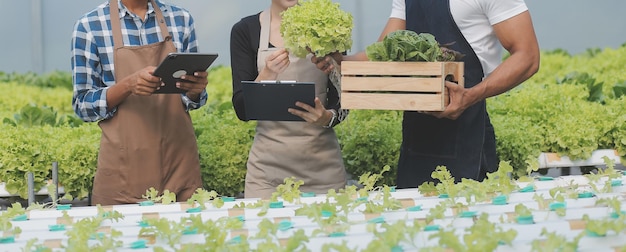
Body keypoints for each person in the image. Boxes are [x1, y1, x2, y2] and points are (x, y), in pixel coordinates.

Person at [314, 0, 540, 188]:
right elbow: (384, 51)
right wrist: (341, 61)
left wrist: (471, 96)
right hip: (417, 136)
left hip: (467, 135)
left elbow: (528, 56)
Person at [71, 0, 209, 205]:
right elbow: (83, 105)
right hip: (123, 173)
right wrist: (127, 86)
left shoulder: (181, 20)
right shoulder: (90, 26)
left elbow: (191, 99)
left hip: (179, 166)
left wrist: (195, 91)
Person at [230, 0, 349, 199]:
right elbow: (242, 110)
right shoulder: (245, 30)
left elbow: (345, 99)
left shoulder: (327, 29)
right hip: (266, 176)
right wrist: (267, 74)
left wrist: (327, 117)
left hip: (324, 172)